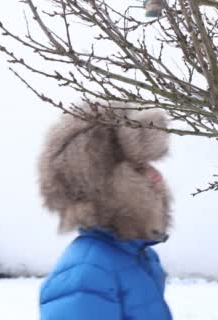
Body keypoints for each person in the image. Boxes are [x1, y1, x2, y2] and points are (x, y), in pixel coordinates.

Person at [37, 104, 173, 319]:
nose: (157, 176)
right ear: (103, 186)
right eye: (139, 168)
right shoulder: (87, 272)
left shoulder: (136, 256)